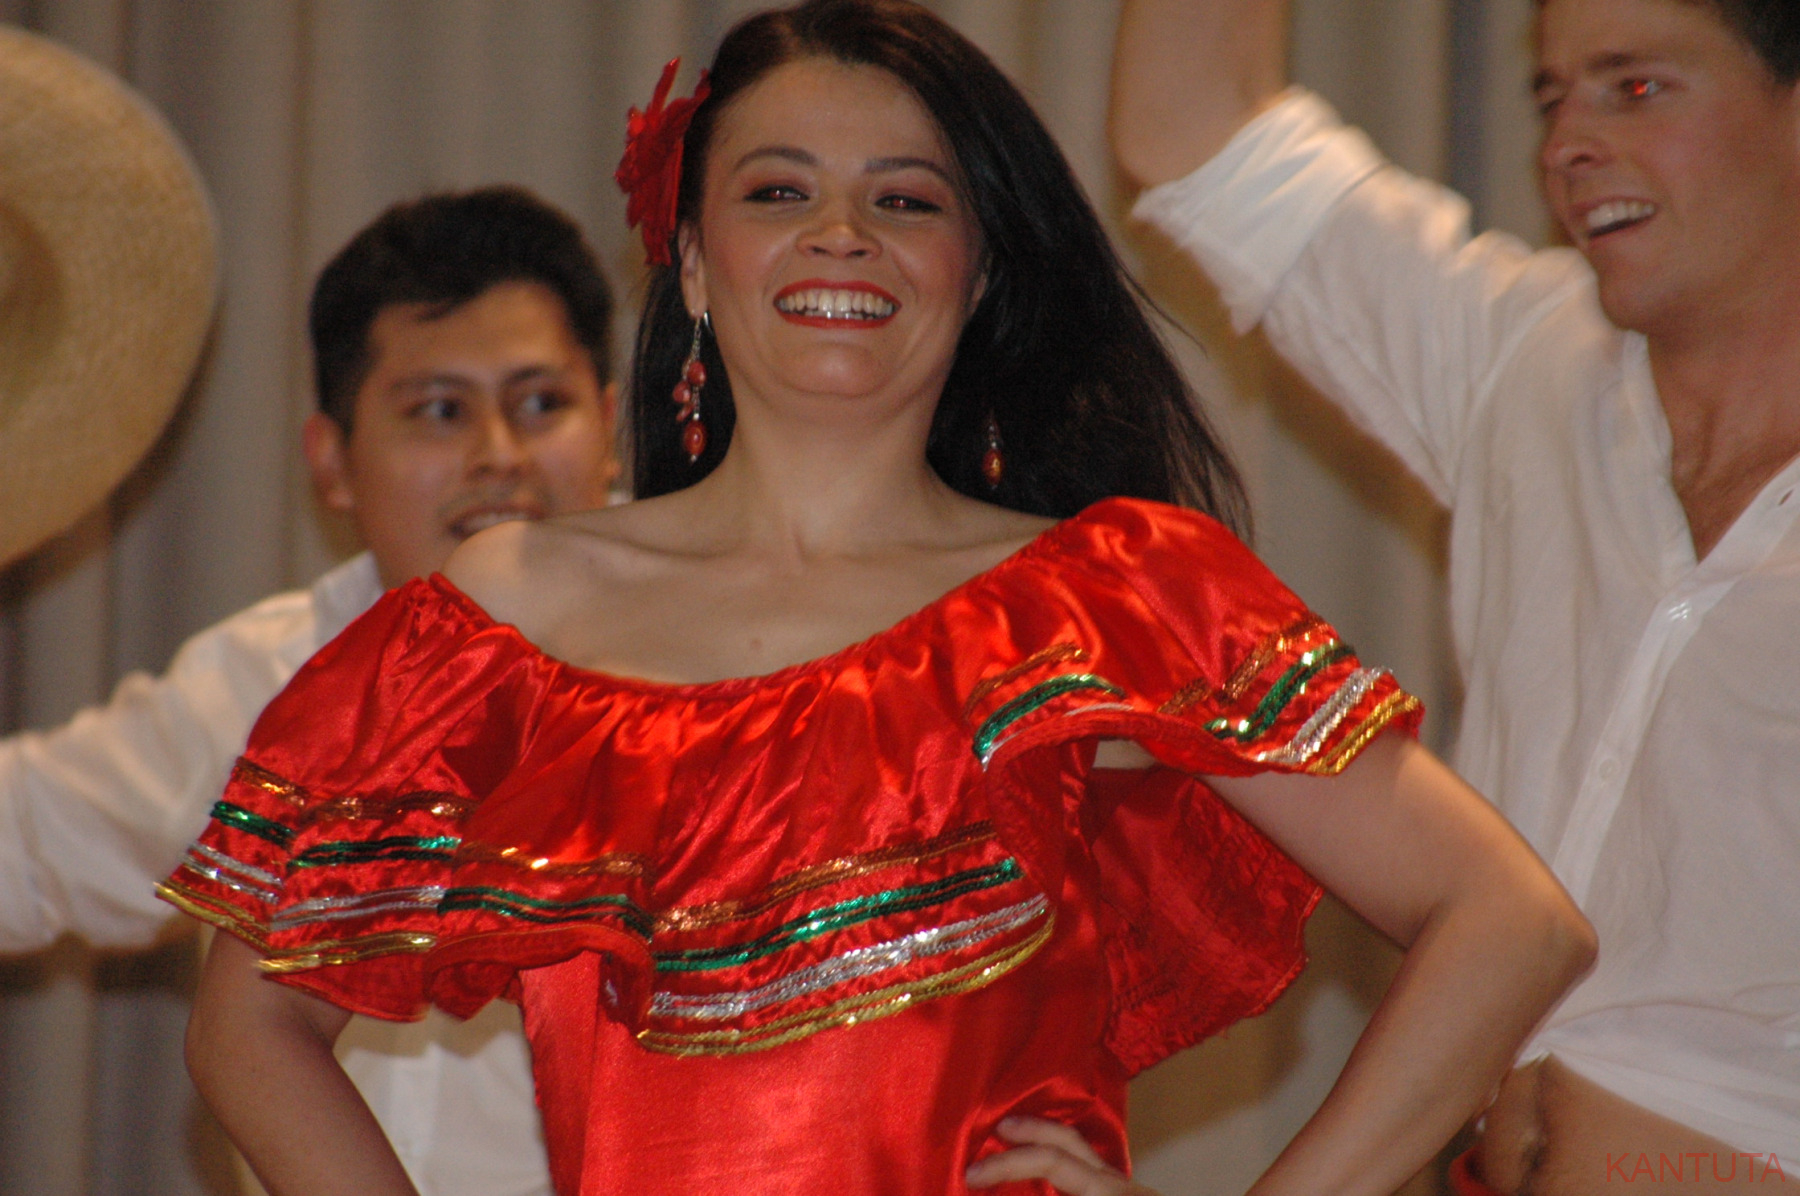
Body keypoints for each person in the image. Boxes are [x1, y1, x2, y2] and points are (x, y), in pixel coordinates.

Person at [166, 3, 1592, 1195]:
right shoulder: (505, 620)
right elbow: (250, 1026)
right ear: (692, 263)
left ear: (977, 276)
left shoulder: (1107, 596)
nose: (842, 233)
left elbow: (1510, 921)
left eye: (905, 200)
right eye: (779, 192)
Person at [1111, 0, 1800, 1191]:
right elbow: (1189, 124)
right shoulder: (1523, 355)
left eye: (1636, 88)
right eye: (1550, 96)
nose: (1567, 144)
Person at [1, 185, 619, 1196]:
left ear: (612, 427)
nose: (501, 455)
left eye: (542, 402)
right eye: (440, 410)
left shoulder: (718, 672)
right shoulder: (268, 681)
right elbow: (19, 841)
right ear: (331, 463)